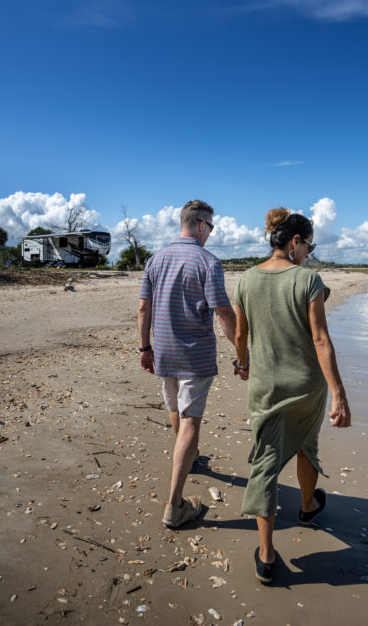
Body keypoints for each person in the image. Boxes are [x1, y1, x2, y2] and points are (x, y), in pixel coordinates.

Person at [233, 208, 351, 584]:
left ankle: (266, 555)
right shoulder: (308, 280)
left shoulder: (246, 280)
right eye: (309, 246)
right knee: (304, 444)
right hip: (305, 386)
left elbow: (240, 336)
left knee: (266, 461)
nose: (309, 254)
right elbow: (320, 340)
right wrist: (339, 395)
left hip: (265, 386)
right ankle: (306, 507)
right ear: (295, 241)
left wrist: (243, 364)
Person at [138, 199, 238, 528]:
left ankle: (190, 458)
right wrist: (242, 349)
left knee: (174, 407)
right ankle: (174, 505)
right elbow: (223, 312)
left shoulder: (155, 260)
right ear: (199, 225)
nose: (211, 233)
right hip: (195, 355)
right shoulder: (209, 262)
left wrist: (144, 347)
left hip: (164, 351)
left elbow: (143, 310)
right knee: (190, 420)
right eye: (210, 226)